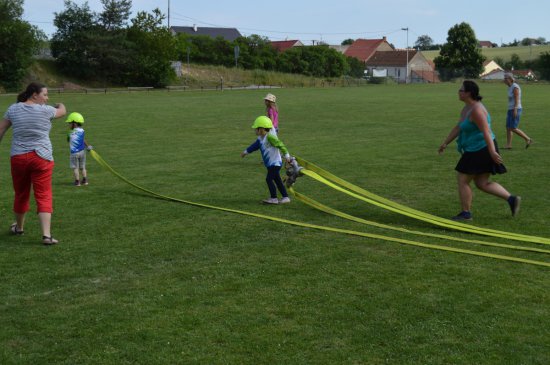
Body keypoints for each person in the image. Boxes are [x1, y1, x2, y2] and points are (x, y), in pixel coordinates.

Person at [438, 80, 521, 221]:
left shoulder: (476, 110)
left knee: (463, 180)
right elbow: (459, 127)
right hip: (478, 148)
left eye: (461, 90)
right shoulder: (466, 109)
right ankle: (512, 199)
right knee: (481, 183)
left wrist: (493, 152)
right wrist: (445, 142)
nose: (459, 92)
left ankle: (465, 214)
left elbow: (486, 132)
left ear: (469, 93)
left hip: (481, 149)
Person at [0, 82, 66, 245]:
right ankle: (46, 235)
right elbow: (63, 111)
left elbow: (1, 130)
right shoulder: (46, 110)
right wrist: (60, 104)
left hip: (19, 158)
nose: (47, 97)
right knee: (43, 194)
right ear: (34, 95)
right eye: (45, 94)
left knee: (21, 193)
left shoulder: (13, 109)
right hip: (42, 157)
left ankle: (19, 228)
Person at [241, 116, 292, 205]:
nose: (255, 131)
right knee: (278, 181)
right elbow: (254, 146)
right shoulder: (260, 139)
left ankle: (273, 198)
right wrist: (246, 152)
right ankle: (285, 197)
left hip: (275, 163)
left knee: (269, 179)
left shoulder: (270, 137)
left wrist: (287, 156)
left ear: (262, 129)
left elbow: (281, 145)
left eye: (256, 129)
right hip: (270, 164)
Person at [503, 73, 532, 149]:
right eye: (504, 78)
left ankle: (528, 139)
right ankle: (508, 145)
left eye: (506, 78)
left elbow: (516, 99)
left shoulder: (515, 87)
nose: (504, 80)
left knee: (513, 127)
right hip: (510, 109)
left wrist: (515, 109)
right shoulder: (509, 87)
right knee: (508, 127)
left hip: (515, 109)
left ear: (510, 79)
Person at [66, 112, 93, 186]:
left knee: (75, 168)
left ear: (74, 123)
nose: (69, 124)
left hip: (74, 153)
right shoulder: (82, 131)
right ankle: (85, 180)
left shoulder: (70, 132)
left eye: (70, 123)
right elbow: (83, 140)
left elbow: (68, 140)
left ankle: (77, 182)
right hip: (82, 152)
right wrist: (88, 146)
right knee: (83, 167)